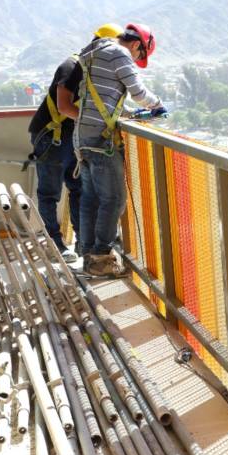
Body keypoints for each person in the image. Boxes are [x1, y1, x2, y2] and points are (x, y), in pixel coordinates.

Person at [74, 23, 167, 277]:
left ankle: (89, 256)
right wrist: (158, 106)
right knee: (113, 199)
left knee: (91, 199)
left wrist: (128, 114)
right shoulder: (119, 54)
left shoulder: (92, 52)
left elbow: (101, 98)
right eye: (140, 56)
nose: (136, 61)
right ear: (137, 45)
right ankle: (102, 259)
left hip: (82, 136)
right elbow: (138, 92)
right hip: (101, 140)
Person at [27, 23, 124, 263]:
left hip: (72, 137)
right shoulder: (72, 66)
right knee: (49, 193)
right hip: (52, 136)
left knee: (79, 189)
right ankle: (55, 244)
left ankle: (83, 244)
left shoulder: (92, 68)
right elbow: (64, 107)